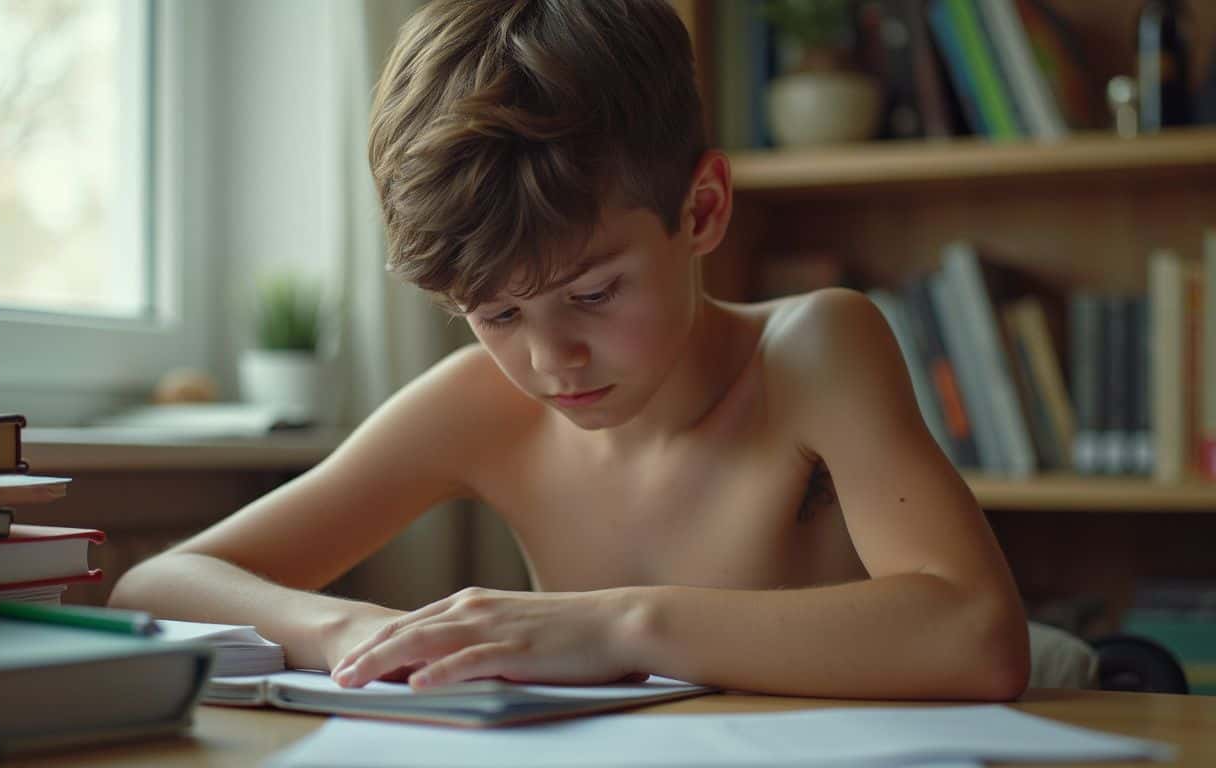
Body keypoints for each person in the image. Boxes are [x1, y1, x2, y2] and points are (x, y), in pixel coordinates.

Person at [109, 0, 1029, 701]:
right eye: (495, 314)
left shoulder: (814, 350)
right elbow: (152, 588)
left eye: (591, 294)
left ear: (702, 211)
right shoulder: (481, 404)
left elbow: (980, 634)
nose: (553, 363)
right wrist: (350, 630)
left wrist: (620, 625)